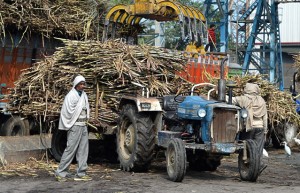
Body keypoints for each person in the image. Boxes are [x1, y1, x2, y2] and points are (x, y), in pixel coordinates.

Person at [55, 75, 91, 182]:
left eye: (83, 84)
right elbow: (67, 112)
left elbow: (86, 108)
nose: (82, 86)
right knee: (70, 149)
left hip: (83, 125)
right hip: (75, 126)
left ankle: (81, 172)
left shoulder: (84, 95)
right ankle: (60, 173)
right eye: (80, 84)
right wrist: (72, 123)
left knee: (83, 150)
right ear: (76, 85)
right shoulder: (71, 96)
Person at [230, 83, 268, 174]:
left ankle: (248, 166)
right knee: (258, 148)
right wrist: (265, 130)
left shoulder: (243, 99)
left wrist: (217, 93)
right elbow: (265, 117)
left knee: (246, 147)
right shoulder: (261, 100)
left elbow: (230, 100)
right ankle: (259, 164)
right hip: (260, 127)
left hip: (249, 127)